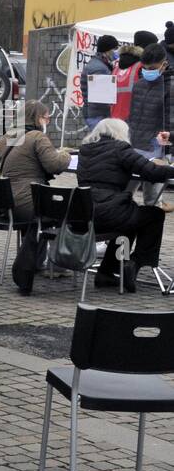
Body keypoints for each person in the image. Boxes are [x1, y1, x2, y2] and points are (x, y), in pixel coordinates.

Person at [76, 118, 174, 293]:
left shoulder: (85, 149)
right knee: (154, 214)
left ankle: (107, 272)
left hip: (84, 212)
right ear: (121, 133)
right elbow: (152, 172)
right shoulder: (120, 148)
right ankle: (135, 262)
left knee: (129, 223)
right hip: (109, 211)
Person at [0, 100, 72, 295]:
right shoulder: (37, 136)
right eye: (46, 116)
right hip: (29, 201)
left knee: (41, 213)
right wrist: (65, 155)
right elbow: (55, 165)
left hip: (7, 202)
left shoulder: (8, 136)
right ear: (36, 118)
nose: (49, 120)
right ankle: (58, 265)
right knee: (66, 210)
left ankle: (36, 262)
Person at [126, 42, 174, 210]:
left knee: (152, 200)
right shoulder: (139, 84)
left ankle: (151, 231)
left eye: (152, 68)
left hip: (156, 150)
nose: (148, 71)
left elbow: (171, 122)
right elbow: (133, 115)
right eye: (145, 67)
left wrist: (168, 152)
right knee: (124, 193)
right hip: (134, 147)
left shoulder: (170, 86)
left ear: (164, 64)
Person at [81, 35, 118, 129]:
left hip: (95, 115)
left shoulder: (98, 64)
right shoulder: (99, 69)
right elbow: (102, 99)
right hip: (99, 117)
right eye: (115, 48)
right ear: (108, 50)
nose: (117, 52)